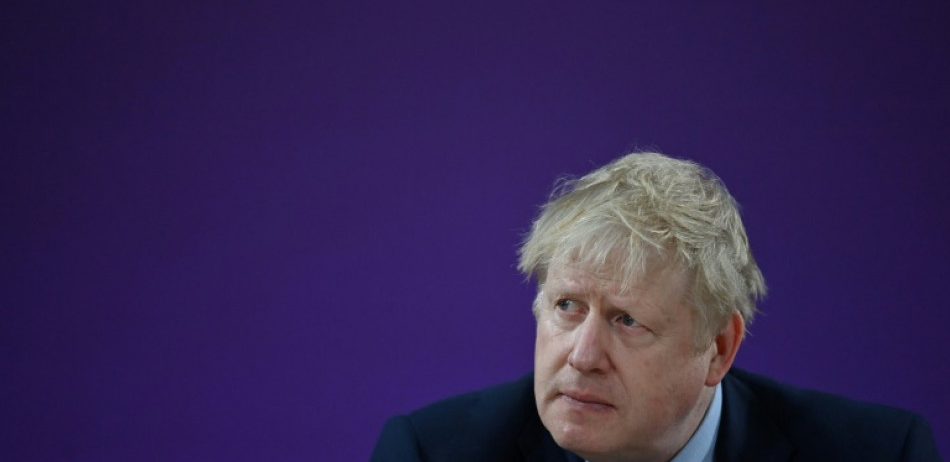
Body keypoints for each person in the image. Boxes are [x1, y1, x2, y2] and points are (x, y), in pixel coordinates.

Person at [370, 152, 940, 462]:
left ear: (718, 348)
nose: (583, 356)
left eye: (627, 320)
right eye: (567, 306)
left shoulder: (882, 454)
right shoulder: (430, 453)